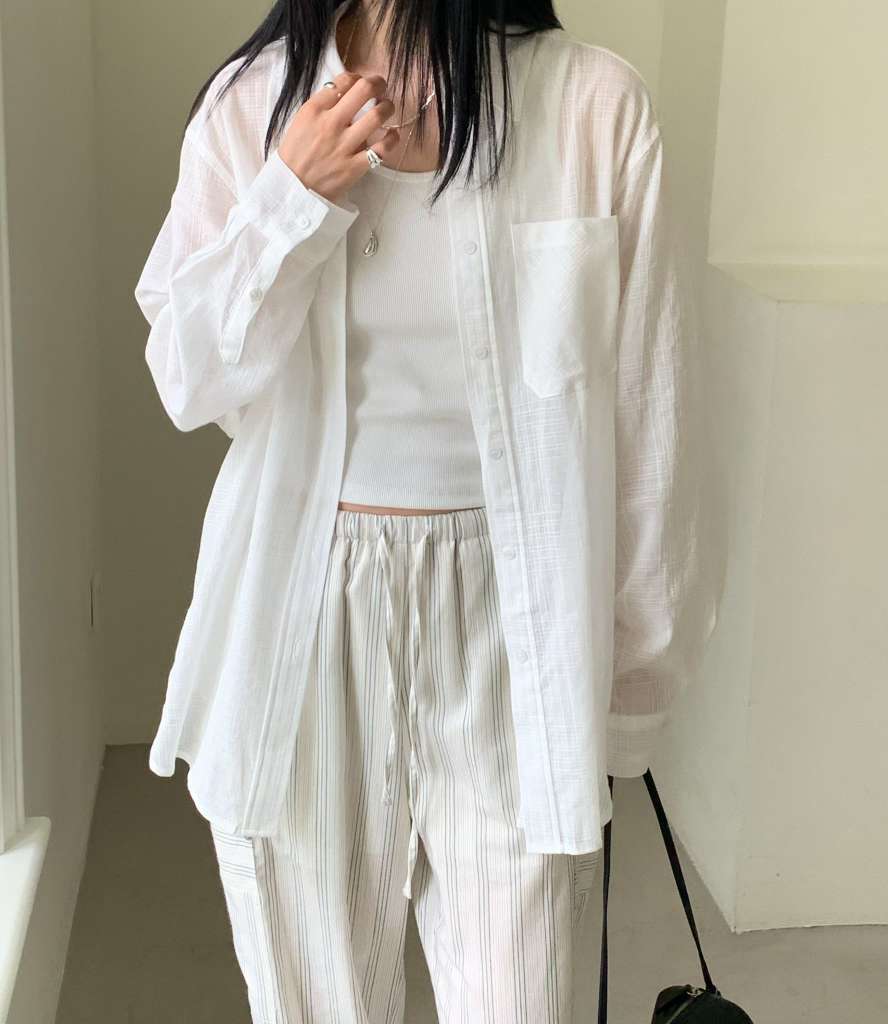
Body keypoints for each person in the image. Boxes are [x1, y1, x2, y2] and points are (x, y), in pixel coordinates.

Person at [133, 0, 718, 1019]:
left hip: (519, 633)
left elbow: (652, 429)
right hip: (299, 630)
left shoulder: (591, 106)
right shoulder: (253, 105)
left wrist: (628, 704)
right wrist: (288, 201)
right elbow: (189, 382)